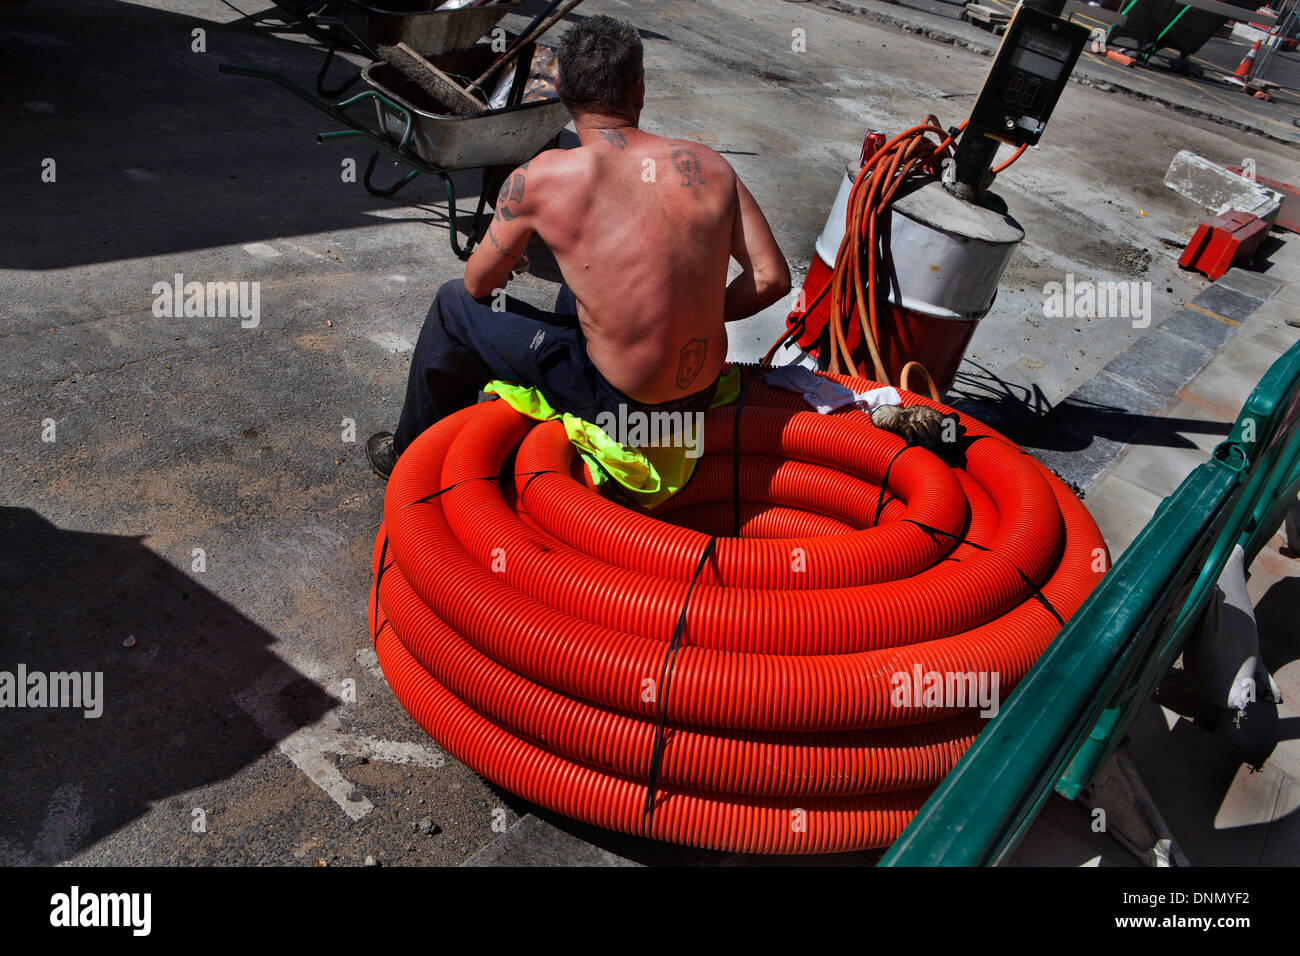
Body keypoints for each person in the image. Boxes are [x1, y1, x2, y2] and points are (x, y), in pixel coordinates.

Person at [366, 14, 790, 478]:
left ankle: (409, 458)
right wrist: (691, 313)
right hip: (699, 396)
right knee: (582, 286)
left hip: (620, 409)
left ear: (562, 89)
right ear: (639, 89)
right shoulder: (710, 166)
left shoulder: (542, 177)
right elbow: (771, 279)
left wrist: (509, 262)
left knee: (451, 305)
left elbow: (476, 284)